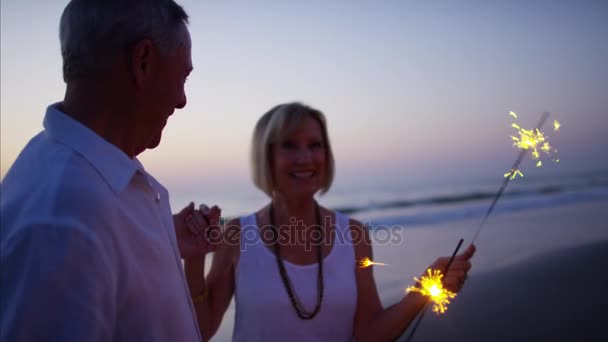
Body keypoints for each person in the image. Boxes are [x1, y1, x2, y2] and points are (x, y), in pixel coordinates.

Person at [0, 1, 217, 341]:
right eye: (182, 77)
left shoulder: (86, 177)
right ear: (143, 61)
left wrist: (165, 241)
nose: (181, 100)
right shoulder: (63, 222)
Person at [186, 102, 476, 341]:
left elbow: (368, 334)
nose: (306, 158)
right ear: (266, 156)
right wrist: (196, 259)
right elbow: (202, 329)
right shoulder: (237, 234)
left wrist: (424, 289)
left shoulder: (354, 235)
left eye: (315, 145)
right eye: (289, 145)